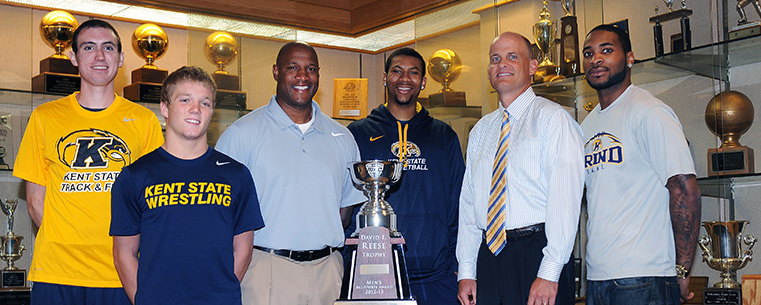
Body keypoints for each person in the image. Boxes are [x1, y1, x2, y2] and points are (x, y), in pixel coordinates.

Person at [13, 19, 164, 304]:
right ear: (73, 57)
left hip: (119, 271)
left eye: (108, 48)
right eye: (88, 47)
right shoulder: (45, 117)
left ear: (120, 58)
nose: (99, 56)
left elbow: (152, 200)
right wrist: (69, 244)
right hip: (57, 271)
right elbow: (35, 201)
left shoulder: (144, 121)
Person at [215, 41, 365, 305]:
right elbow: (220, 216)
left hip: (329, 272)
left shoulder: (342, 136)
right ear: (276, 72)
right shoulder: (242, 134)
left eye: (311, 69)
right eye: (292, 67)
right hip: (266, 270)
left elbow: (345, 210)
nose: (302, 76)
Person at [110, 66, 264, 305]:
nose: (196, 109)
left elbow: (243, 250)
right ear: (164, 108)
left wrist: (218, 295)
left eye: (205, 103)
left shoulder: (237, 175)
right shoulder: (135, 176)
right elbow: (124, 254)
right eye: (185, 100)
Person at [456, 32, 584, 305]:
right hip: (489, 256)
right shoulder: (481, 130)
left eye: (512, 56)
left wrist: (550, 273)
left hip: (538, 254)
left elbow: (565, 202)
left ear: (532, 66)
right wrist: (467, 271)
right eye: (495, 59)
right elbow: (469, 205)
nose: (502, 64)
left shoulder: (553, 119)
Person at [580, 24, 701, 305]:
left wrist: (682, 270)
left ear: (630, 58)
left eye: (607, 50)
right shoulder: (587, 125)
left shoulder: (650, 112)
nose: (595, 59)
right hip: (598, 277)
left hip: (644, 277)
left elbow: (685, 190)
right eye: (589, 53)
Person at [346, 47, 465, 305]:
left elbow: (459, 203)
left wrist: (460, 265)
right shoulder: (357, 133)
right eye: (397, 71)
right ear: (386, 77)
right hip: (373, 274)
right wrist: (349, 262)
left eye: (413, 73)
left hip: (436, 274)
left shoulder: (444, 136)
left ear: (423, 81)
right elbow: (346, 200)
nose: (404, 79)